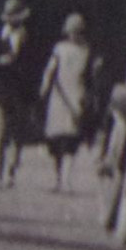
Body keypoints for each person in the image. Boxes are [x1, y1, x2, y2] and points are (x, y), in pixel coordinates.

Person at [40, 13, 91, 192]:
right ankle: (57, 179)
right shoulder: (59, 48)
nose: (74, 35)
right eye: (72, 32)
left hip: (77, 96)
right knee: (55, 141)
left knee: (70, 141)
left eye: (78, 32)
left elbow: (89, 76)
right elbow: (50, 70)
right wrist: (44, 87)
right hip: (59, 97)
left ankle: (66, 180)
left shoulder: (86, 51)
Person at [0, 0, 33, 188]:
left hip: (19, 89)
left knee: (16, 133)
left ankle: (11, 171)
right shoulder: (0, 34)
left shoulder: (26, 35)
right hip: (0, 89)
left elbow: (28, 62)